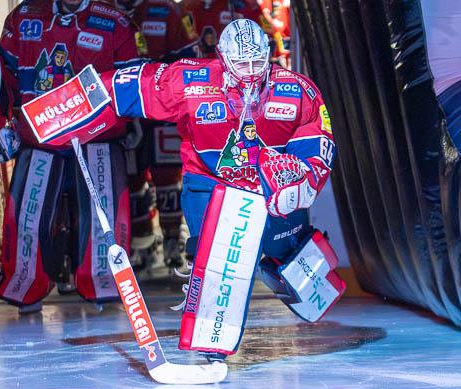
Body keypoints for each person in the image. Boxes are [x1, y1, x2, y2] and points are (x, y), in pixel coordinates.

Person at [92, 18, 345, 360]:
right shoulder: (190, 80)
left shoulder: (296, 88)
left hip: (267, 188)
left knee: (287, 254)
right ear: (223, 58)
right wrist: (86, 94)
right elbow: (137, 84)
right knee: (214, 260)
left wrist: (305, 179)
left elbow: (318, 139)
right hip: (209, 184)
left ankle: (292, 255)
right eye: (242, 63)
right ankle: (211, 339)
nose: (251, 72)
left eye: (258, 62)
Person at [0, 0, 141, 313]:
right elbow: (1, 71)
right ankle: (25, 284)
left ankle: (101, 283)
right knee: (27, 213)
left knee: (102, 216)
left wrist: (134, 122)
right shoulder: (24, 15)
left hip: (96, 136)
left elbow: (130, 79)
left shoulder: (114, 22)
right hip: (39, 136)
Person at [114, 0, 197, 282]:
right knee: (131, 177)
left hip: (164, 112)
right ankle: (141, 243)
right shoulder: (102, 12)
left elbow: (189, 60)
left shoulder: (167, 10)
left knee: (168, 177)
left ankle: (173, 239)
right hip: (123, 113)